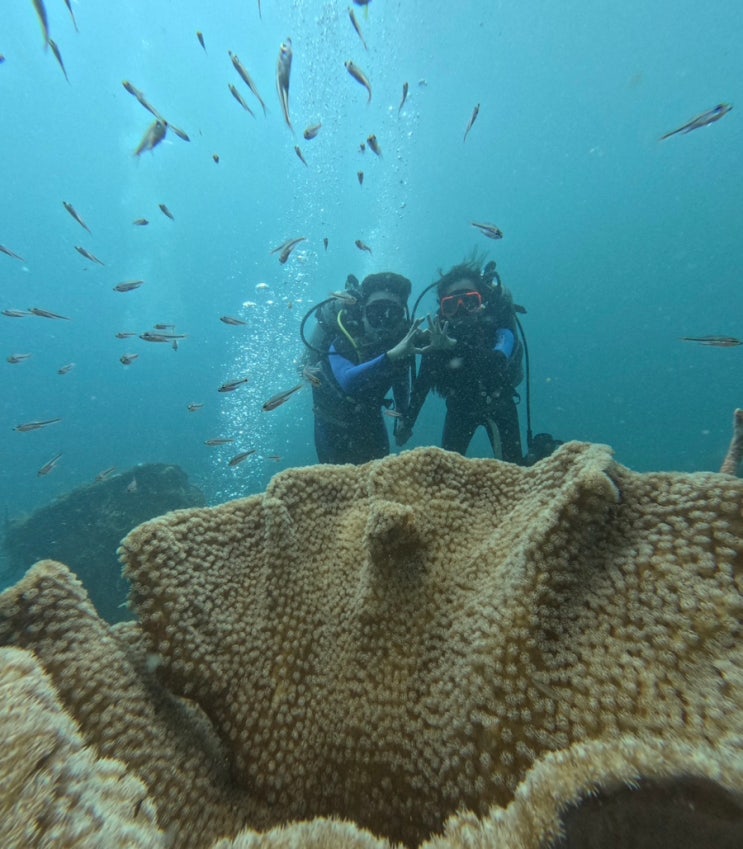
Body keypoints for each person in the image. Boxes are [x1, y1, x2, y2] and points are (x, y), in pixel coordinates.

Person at [396, 258, 525, 463]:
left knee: (514, 469)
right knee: (447, 471)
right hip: (459, 407)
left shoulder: (499, 325)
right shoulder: (438, 336)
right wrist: (408, 423)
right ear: (443, 311)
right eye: (451, 305)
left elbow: (497, 362)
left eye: (470, 301)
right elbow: (423, 383)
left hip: (499, 403)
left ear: (483, 302)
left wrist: (453, 345)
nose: (461, 309)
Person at [308, 272, 422, 465]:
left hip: (370, 419)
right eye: (376, 312)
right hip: (332, 424)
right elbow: (348, 381)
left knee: (380, 478)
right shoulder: (344, 338)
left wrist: (402, 418)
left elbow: (401, 379)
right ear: (362, 312)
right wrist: (391, 356)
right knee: (336, 481)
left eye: (393, 313)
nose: (384, 320)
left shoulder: (399, 341)